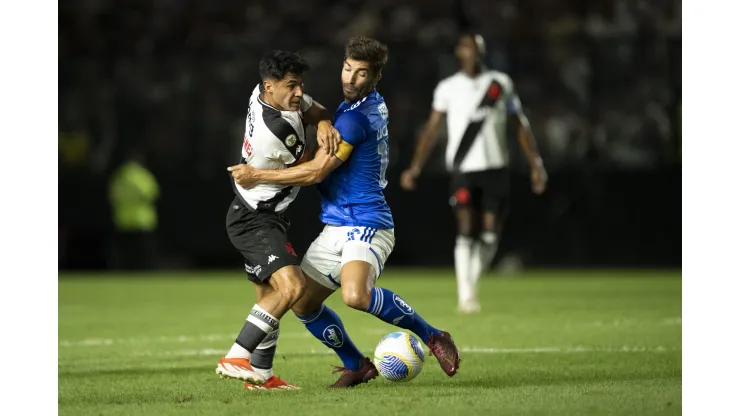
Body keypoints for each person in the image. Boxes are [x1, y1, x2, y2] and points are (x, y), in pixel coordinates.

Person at [229, 36, 460, 388]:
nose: (350, 79)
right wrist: (323, 123)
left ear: (375, 77)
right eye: (347, 69)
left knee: (356, 295)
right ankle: (356, 364)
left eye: (361, 74)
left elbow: (315, 172)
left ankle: (433, 336)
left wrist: (256, 174)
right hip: (336, 224)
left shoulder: (357, 119)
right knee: (303, 304)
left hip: (366, 221)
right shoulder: (359, 107)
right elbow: (321, 117)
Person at [217, 50, 341, 390]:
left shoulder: (267, 96)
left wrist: (326, 122)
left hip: (257, 212)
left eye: (301, 84)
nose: (298, 93)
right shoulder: (275, 130)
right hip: (256, 219)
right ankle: (236, 355)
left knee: (269, 297)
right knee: (293, 286)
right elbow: (311, 171)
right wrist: (335, 147)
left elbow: (315, 110)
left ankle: (261, 375)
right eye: (291, 86)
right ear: (269, 86)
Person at [400, 32, 548, 314]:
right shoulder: (448, 87)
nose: (474, 52)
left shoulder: (500, 84)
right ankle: (465, 294)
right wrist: (415, 167)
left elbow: (520, 124)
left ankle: (472, 283)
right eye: (468, 47)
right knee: (466, 229)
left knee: (490, 234)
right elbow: (432, 129)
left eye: (478, 47)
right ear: (459, 52)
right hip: (463, 169)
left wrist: (536, 164)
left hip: (496, 167)